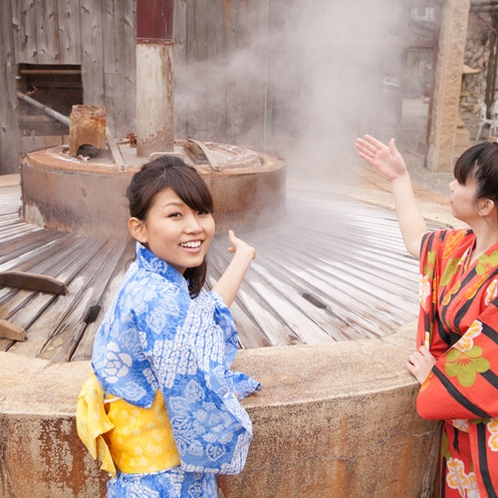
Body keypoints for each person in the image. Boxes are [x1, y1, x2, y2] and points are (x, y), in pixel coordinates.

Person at [76, 155, 261, 497]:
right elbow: (201, 385)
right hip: (162, 483)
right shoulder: (158, 297)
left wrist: (242, 257)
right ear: (139, 228)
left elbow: (203, 314)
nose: (195, 227)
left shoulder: (147, 277)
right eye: (176, 214)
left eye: (201, 212)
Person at [355, 135, 498, 498]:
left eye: (460, 181)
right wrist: (399, 178)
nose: (450, 185)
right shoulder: (460, 246)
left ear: (485, 205)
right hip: (462, 430)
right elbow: (417, 239)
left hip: (490, 438)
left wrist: (436, 375)